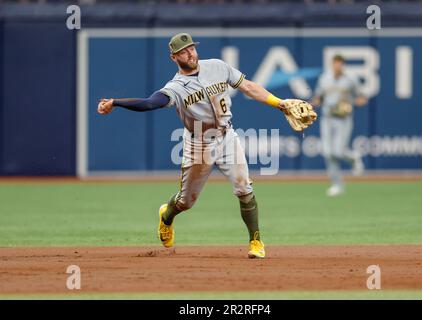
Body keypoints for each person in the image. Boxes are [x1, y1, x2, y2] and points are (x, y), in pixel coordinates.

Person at [97, 32, 290, 258]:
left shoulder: (217, 66)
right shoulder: (175, 87)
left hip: (227, 137)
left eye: (191, 48)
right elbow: (150, 103)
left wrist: (280, 103)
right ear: (173, 58)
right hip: (199, 144)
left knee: (244, 187)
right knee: (186, 201)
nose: (189, 53)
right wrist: (116, 103)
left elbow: (248, 87)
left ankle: (256, 242)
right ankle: (166, 216)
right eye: (183, 51)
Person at [312, 54, 367, 197]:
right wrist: (312, 104)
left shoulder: (350, 79)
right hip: (327, 118)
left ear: (343, 65)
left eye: (340, 63)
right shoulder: (325, 78)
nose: (337, 66)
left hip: (343, 118)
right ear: (332, 64)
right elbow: (318, 97)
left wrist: (355, 103)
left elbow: (361, 96)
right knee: (328, 152)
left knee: (338, 151)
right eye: (335, 63)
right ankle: (337, 185)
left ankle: (354, 158)